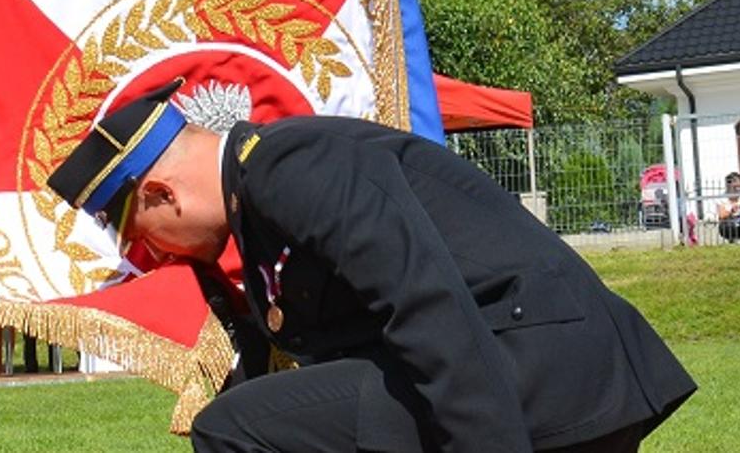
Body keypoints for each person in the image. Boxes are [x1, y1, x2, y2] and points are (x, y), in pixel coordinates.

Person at [48, 80, 696, 452]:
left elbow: (426, 307)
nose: (153, 255)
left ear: (163, 194)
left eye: (142, 238)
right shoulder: (260, 195)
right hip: (537, 365)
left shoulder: (289, 166)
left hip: (534, 367)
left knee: (235, 430)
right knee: (251, 411)